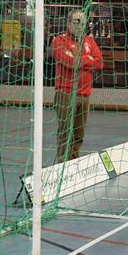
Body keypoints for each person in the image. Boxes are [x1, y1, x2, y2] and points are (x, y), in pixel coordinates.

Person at [53, 10, 103, 162]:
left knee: (78, 135)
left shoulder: (89, 41)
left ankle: (73, 164)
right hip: (66, 94)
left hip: (85, 95)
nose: (80, 25)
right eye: (76, 22)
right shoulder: (59, 41)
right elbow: (70, 63)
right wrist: (88, 59)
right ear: (68, 24)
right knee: (65, 133)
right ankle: (62, 166)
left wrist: (81, 59)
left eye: (82, 22)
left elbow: (100, 63)